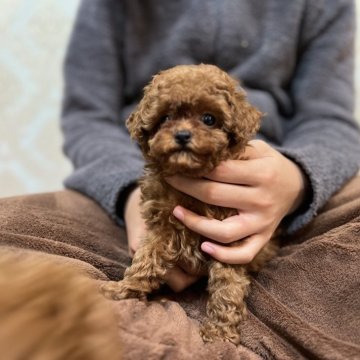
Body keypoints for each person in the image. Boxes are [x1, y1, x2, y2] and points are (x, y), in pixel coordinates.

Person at [1, 0, 360, 358]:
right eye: (170, 118)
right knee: (11, 237)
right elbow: (87, 116)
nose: (186, 132)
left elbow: (331, 119)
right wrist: (130, 195)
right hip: (133, 180)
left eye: (207, 120)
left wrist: (297, 180)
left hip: (284, 185)